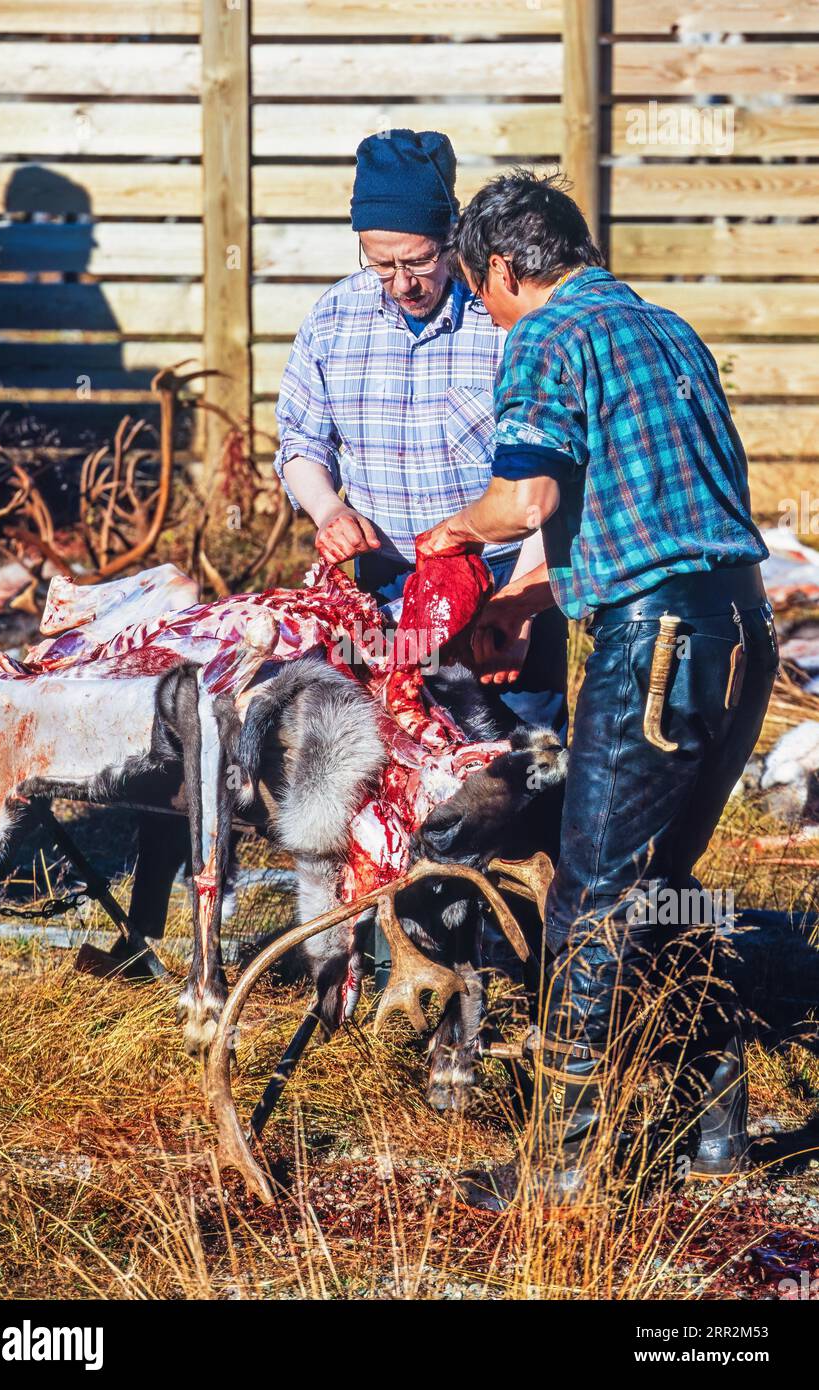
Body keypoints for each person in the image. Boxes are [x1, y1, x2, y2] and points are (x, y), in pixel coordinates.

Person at [419, 170, 778, 1208]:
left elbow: (524, 494)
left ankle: (565, 1160)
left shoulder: (546, 337)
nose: (481, 314)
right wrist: (533, 601)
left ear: (499, 267)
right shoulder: (663, 328)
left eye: (478, 290)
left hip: (656, 646)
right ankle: (716, 1119)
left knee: (589, 898)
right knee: (658, 878)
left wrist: (454, 533)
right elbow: (653, 509)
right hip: (738, 630)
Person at [273, 129, 567, 735]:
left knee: (521, 765)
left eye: (418, 260)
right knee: (402, 764)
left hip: (504, 582)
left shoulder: (505, 317)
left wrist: (524, 607)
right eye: (381, 264)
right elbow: (301, 443)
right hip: (383, 585)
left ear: (453, 238)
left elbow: (556, 469)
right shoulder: (333, 318)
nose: (402, 282)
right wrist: (329, 511)